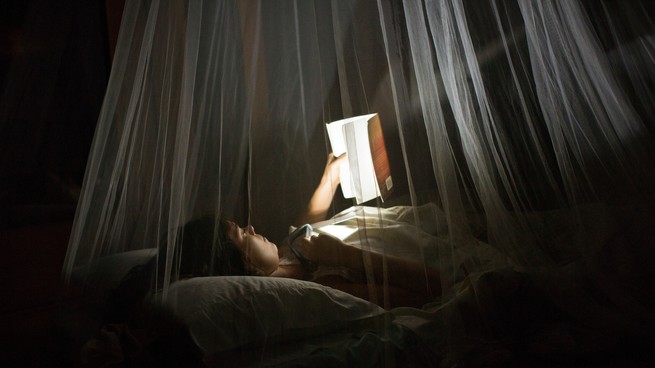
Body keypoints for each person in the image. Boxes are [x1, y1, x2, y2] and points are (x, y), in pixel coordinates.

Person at [213, 153, 442, 309]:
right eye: (243, 235)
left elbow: (307, 224)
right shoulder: (319, 288)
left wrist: (329, 179)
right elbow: (432, 287)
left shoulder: (283, 257)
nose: (251, 228)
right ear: (245, 266)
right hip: (416, 254)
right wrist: (343, 255)